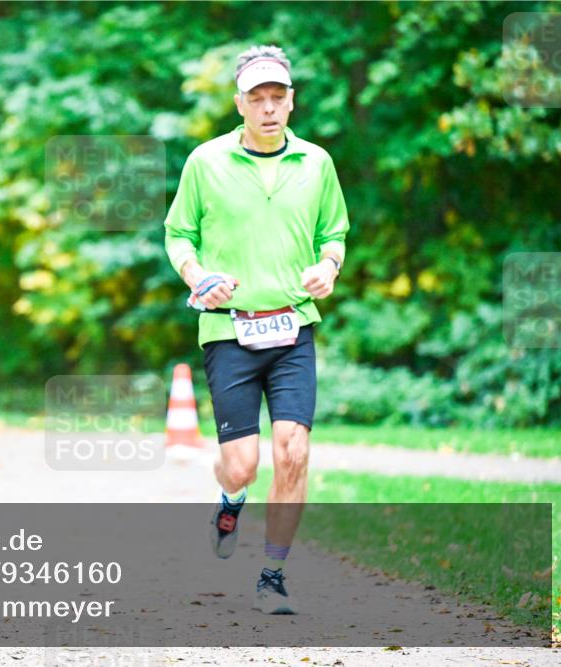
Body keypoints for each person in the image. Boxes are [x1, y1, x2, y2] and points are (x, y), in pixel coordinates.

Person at [164, 45, 349, 614]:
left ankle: (272, 574)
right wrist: (198, 277)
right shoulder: (205, 162)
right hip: (229, 330)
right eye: (257, 98)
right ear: (239, 103)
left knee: (293, 451)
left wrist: (329, 267)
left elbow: (333, 234)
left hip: (293, 327)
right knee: (242, 461)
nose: (268, 108)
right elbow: (179, 235)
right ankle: (230, 497)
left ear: (292, 101)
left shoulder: (317, 163)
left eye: (278, 97)